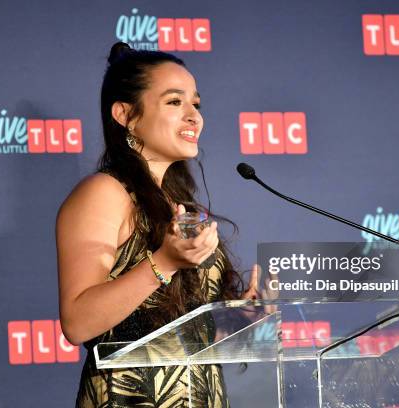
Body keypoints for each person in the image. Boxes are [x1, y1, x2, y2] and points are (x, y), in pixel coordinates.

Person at [56, 42, 259, 408]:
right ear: (126, 115)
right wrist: (163, 263)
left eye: (196, 104)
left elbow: (173, 330)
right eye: (174, 102)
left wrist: (237, 315)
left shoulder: (178, 204)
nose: (194, 116)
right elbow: (78, 322)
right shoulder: (105, 193)